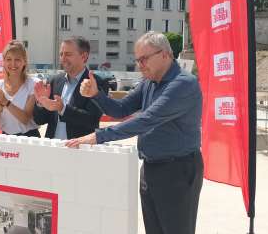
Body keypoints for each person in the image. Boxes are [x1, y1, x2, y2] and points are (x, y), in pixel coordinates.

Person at [66, 31, 203, 234]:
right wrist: (96, 94)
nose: (140, 65)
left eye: (144, 59)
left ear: (165, 54)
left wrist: (98, 136)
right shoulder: (149, 82)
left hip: (178, 170)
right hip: (150, 168)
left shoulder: (183, 84)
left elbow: (146, 121)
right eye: (137, 60)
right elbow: (120, 110)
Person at [33, 36, 106, 139]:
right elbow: (39, 120)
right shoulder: (54, 81)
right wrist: (41, 103)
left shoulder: (97, 83)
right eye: (61, 54)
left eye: (68, 54)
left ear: (84, 56)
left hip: (79, 149)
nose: (63, 58)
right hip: (52, 148)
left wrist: (62, 109)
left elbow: (92, 120)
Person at [0, 41, 40, 137]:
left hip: (29, 138)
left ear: (24, 61)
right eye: (8, 59)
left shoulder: (33, 84)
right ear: (3, 62)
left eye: (17, 59)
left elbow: (25, 119)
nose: (13, 64)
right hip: (6, 139)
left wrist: (5, 101)